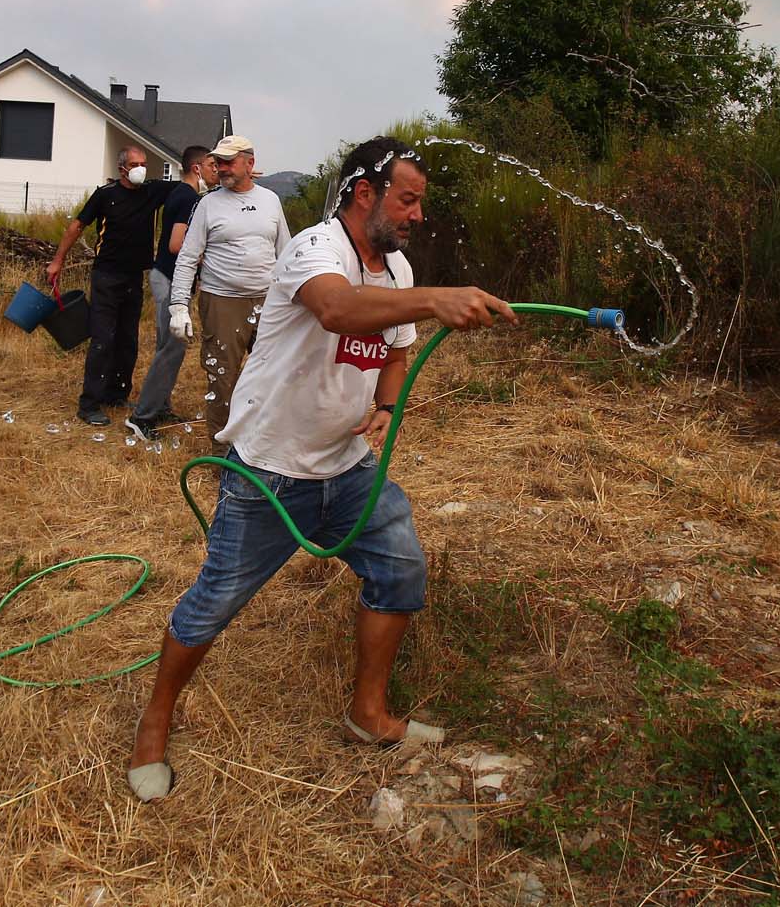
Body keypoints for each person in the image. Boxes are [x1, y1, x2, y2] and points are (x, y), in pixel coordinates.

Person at [126, 137, 519, 802]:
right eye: (408, 200)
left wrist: (387, 406)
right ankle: (154, 726)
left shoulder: (397, 269)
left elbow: (395, 352)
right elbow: (337, 309)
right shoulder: (314, 248)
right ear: (366, 194)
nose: (418, 216)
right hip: (270, 473)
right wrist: (437, 299)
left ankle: (368, 714)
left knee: (400, 570)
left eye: (420, 203)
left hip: (348, 467)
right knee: (215, 602)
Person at [167, 136, 293, 450]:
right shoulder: (208, 204)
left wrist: (294, 299)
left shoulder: (270, 200)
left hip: (267, 300)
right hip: (221, 301)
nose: (222, 168)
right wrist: (178, 306)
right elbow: (188, 256)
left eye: (228, 162)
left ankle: (262, 447)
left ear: (250, 163)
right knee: (222, 379)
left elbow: (286, 253)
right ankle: (223, 454)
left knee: (272, 373)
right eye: (218, 162)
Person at [46, 146, 175, 426]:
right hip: (106, 276)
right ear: (122, 169)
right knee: (102, 340)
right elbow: (76, 226)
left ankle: (117, 394)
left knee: (128, 340)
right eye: (135, 164)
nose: (141, 169)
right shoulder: (105, 195)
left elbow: (187, 187)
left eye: (144, 164)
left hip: (134, 276)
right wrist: (57, 261)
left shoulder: (152, 192)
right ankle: (89, 403)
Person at [125, 145, 218, 441]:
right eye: (212, 166)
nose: (217, 171)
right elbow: (177, 245)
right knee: (173, 347)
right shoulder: (189, 198)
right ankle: (141, 417)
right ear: (197, 168)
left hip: (165, 276)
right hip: (168, 278)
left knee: (166, 345)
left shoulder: (182, 194)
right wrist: (209, 257)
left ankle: (161, 406)